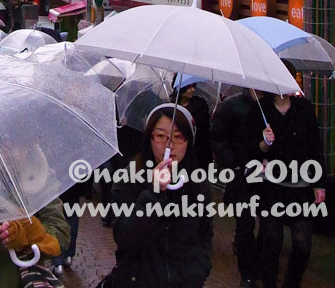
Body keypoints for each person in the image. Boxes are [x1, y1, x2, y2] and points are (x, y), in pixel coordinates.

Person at [106, 104, 212, 288]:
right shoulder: (129, 178)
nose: (169, 145)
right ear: (149, 139)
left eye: (178, 137)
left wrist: (200, 269)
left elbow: (205, 234)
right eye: (161, 136)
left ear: (189, 141)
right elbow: (124, 237)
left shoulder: (198, 183)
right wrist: (153, 192)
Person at [247, 68, 326, 288]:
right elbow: (250, 149)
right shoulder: (259, 111)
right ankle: (269, 283)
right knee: (272, 241)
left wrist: (320, 184)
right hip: (271, 187)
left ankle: (292, 283)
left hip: (300, 186)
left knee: (302, 244)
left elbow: (315, 146)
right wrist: (264, 144)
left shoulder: (305, 109)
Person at [210, 89, 262, 287]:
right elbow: (217, 136)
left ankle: (260, 263)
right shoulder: (232, 106)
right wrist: (232, 163)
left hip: (268, 175)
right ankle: (247, 272)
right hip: (241, 176)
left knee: (268, 224)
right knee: (245, 223)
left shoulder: (271, 106)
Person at [173, 78, 213, 167]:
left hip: (198, 149)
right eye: (189, 87)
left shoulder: (200, 105)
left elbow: (204, 130)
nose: (193, 90)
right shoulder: (171, 105)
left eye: (193, 86)